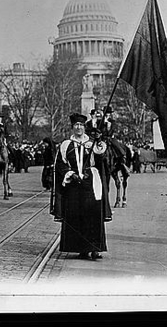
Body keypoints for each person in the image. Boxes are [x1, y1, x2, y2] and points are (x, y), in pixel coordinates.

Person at [51, 112, 111, 261]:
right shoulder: (66, 145)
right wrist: (71, 174)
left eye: (81, 125)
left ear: (85, 127)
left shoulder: (92, 144)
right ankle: (81, 249)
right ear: (72, 127)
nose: (79, 128)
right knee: (76, 216)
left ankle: (95, 248)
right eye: (76, 125)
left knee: (93, 214)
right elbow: (60, 164)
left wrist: (99, 140)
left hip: (90, 182)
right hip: (73, 183)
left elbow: (101, 157)